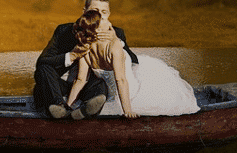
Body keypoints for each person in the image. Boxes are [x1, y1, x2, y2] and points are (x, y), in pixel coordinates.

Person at [66, 7, 200, 118]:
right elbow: (121, 80)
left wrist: (69, 106)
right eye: (105, 20)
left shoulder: (85, 48)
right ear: (99, 28)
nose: (110, 22)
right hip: (131, 94)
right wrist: (127, 111)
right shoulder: (114, 46)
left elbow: (80, 81)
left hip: (113, 96)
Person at [34, 0, 138, 119]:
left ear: (109, 15)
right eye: (94, 11)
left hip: (89, 86)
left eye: (103, 13)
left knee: (100, 84)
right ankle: (59, 106)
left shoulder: (115, 33)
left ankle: (87, 108)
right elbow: (42, 62)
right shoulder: (64, 31)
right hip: (62, 86)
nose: (98, 17)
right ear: (85, 11)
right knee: (43, 69)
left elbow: (133, 60)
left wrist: (117, 40)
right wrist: (71, 56)